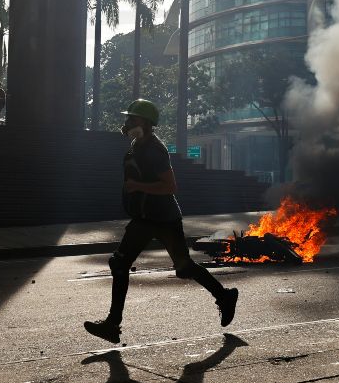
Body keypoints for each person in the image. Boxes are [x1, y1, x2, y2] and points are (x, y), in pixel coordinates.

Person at [84, 99, 239, 344]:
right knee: (119, 263)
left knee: (184, 267)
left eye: (132, 118)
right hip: (144, 218)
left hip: (164, 218)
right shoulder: (136, 145)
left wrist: (137, 186)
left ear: (144, 122)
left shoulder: (155, 150)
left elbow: (169, 186)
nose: (127, 123)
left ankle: (225, 297)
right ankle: (113, 325)